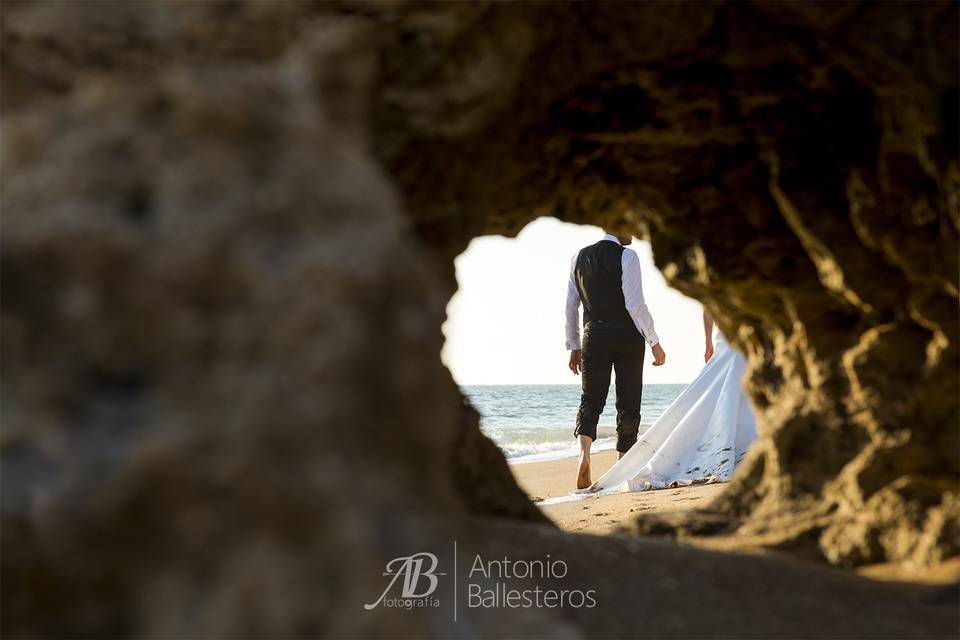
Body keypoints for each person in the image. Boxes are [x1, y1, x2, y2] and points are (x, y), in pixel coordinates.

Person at [582, 310, 758, 494]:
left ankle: (738, 448)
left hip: (728, 336)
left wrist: (708, 343)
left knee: (725, 391)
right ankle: (742, 449)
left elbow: (708, 309)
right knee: (735, 390)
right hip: (741, 334)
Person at [565, 229, 666, 489]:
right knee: (628, 400)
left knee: (591, 398)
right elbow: (634, 304)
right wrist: (654, 341)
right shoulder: (627, 256)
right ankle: (623, 465)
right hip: (627, 337)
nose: (632, 233)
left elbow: (570, 305)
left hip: (593, 336)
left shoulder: (578, 258)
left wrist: (574, 345)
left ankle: (584, 455)